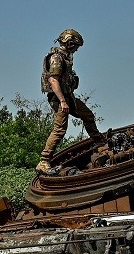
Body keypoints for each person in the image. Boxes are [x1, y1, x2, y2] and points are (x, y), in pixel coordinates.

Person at [36, 28, 104, 174]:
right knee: (60, 129)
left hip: (68, 96)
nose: (76, 49)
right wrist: (62, 101)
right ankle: (44, 161)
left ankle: (99, 141)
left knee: (87, 114)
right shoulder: (57, 58)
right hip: (59, 98)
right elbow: (53, 80)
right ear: (70, 43)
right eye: (76, 46)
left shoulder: (65, 57)